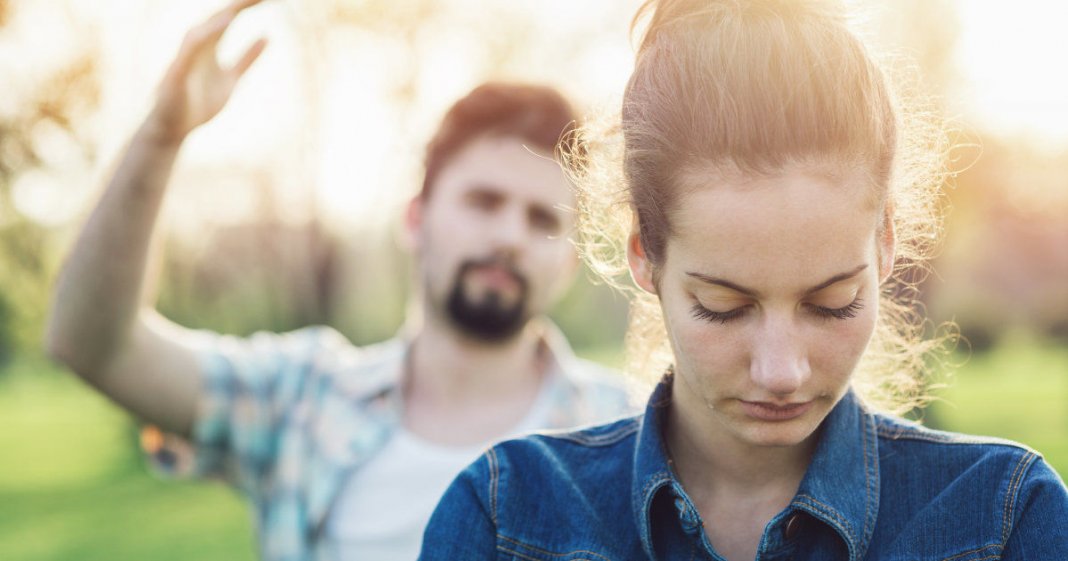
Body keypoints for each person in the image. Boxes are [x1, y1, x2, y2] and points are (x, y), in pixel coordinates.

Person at [418, 0, 1068, 559]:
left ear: (887, 243)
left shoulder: (1006, 518)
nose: (781, 369)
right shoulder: (506, 518)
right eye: (723, 306)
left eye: (833, 303)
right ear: (645, 254)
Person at [44, 0, 633, 559]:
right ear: (415, 217)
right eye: (483, 201)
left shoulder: (629, 437)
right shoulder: (301, 402)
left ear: (569, 261)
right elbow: (97, 346)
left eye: (541, 219)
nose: (510, 235)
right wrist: (160, 135)